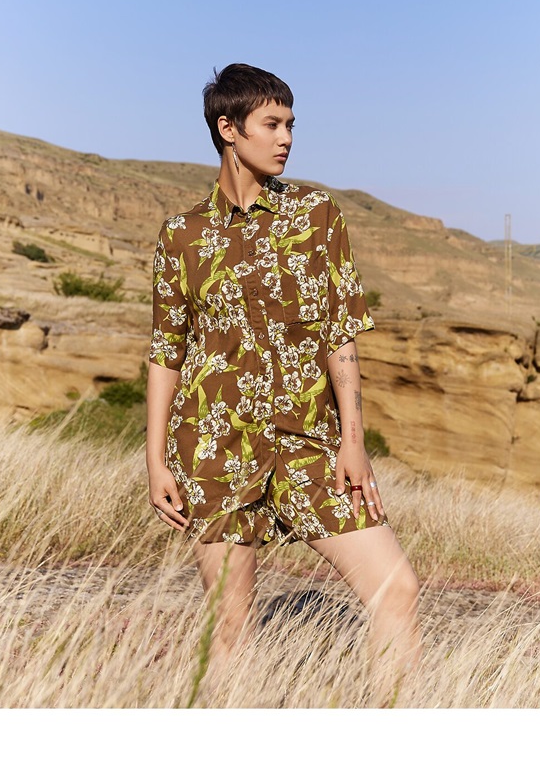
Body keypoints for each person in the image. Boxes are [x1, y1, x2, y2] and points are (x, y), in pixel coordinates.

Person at [146, 63, 421, 696]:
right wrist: (156, 460)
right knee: (230, 627)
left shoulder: (317, 216)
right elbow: (166, 352)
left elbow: (340, 334)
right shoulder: (182, 235)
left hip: (308, 444)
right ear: (228, 129)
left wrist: (354, 440)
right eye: (271, 124)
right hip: (214, 450)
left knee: (396, 589)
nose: (287, 138)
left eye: (291, 124)